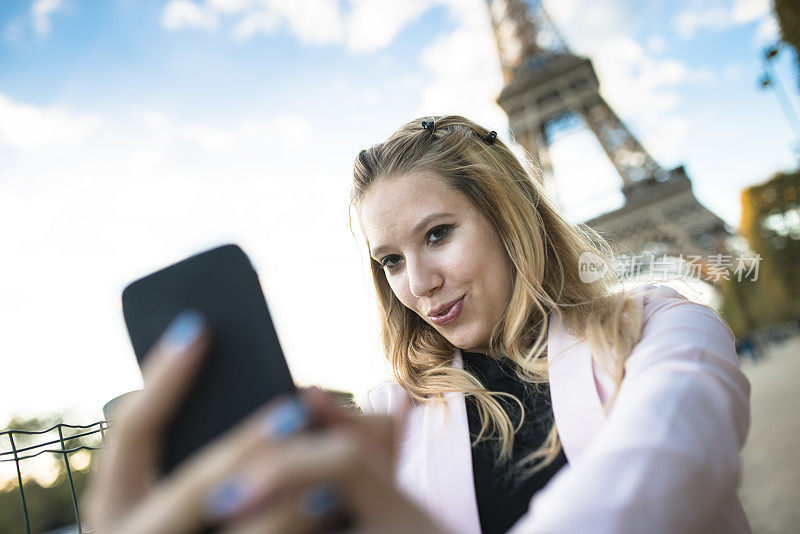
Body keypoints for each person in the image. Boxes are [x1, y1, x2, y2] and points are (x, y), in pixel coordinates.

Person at [84, 115, 751, 533]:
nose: (418, 284)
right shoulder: (381, 421)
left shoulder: (659, 326)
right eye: (391, 261)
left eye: (438, 234)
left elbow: (669, 463)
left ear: (507, 216)